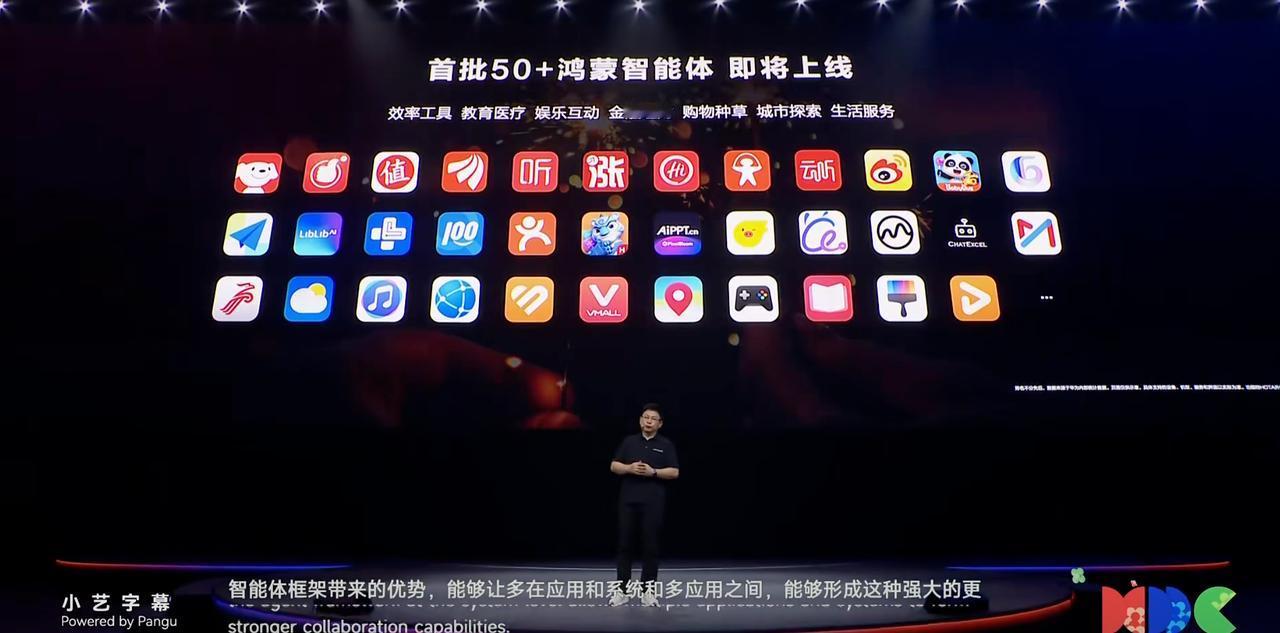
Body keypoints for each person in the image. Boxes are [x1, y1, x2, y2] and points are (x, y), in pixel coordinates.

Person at [608, 403, 680, 607]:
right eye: (646, 417)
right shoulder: (629, 441)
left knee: (651, 547)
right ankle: (622, 592)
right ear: (640, 420)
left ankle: (648, 592)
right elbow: (613, 465)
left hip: (653, 502)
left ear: (660, 424)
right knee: (625, 546)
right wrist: (629, 468)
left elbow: (674, 472)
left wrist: (653, 472)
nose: (649, 421)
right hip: (628, 501)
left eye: (653, 418)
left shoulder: (666, 444)